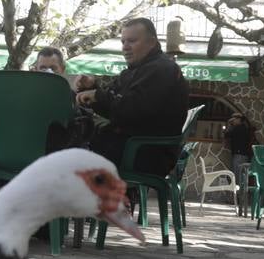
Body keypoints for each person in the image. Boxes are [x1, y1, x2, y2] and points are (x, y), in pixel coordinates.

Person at [73, 17, 190, 177]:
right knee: (73, 139)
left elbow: (133, 110)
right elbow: (113, 104)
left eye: (132, 41)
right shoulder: (135, 71)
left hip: (145, 153)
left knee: (68, 149)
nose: (125, 47)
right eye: (123, 42)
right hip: (131, 147)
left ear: (152, 42)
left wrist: (97, 96)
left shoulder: (162, 69)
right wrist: (92, 87)